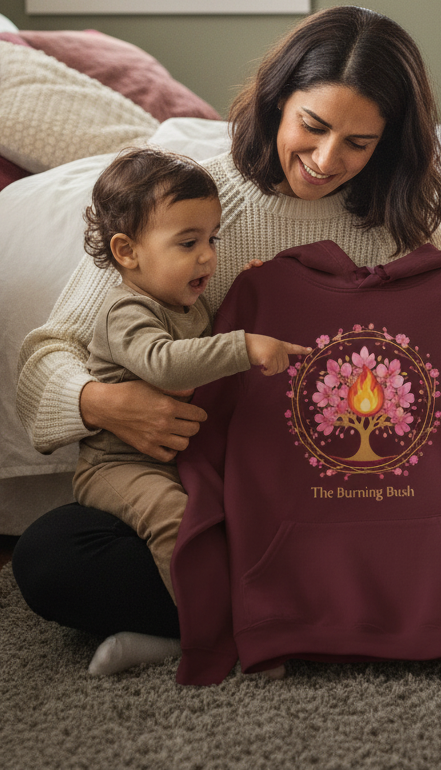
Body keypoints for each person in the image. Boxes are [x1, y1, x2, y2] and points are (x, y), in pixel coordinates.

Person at [11, 5, 441, 675]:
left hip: (315, 491)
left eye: (358, 143)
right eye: (312, 127)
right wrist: (99, 404)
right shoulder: (182, 206)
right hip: (206, 487)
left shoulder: (389, 227)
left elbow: (426, 353)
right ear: (276, 101)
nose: (325, 159)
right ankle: (287, 619)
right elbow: (47, 353)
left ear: (391, 143)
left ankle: (233, 623)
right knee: (54, 557)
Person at [74, 147, 310, 613]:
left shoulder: (187, 305)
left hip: (184, 458)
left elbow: (209, 352)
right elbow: (165, 363)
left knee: (242, 513)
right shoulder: (126, 311)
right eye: (188, 243)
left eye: (212, 239)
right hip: (121, 465)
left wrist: (252, 294)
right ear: (127, 251)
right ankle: (206, 628)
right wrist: (243, 344)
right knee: (177, 522)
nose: (207, 256)